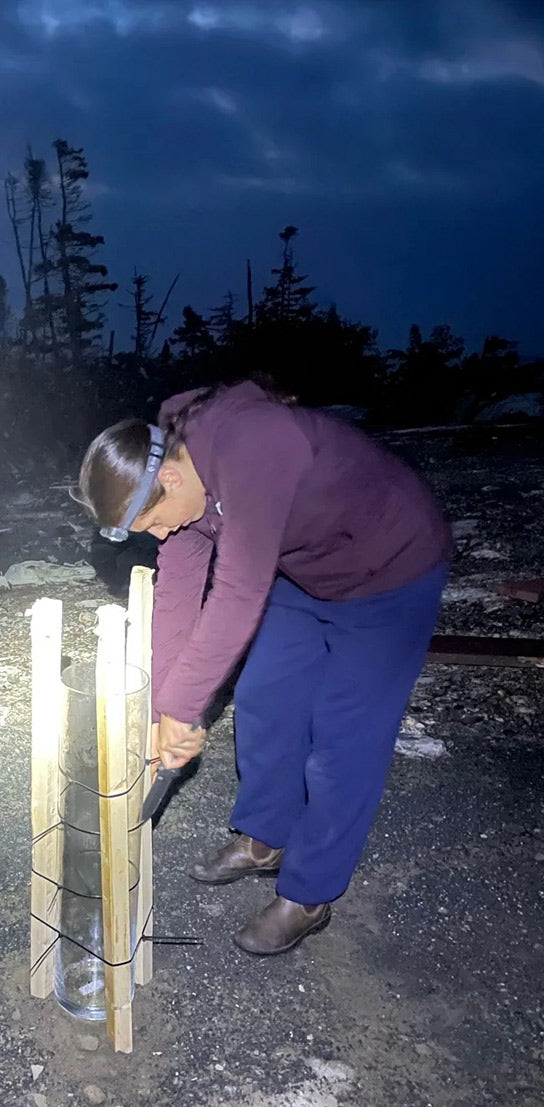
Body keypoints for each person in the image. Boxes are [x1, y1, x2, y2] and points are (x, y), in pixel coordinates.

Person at [75, 379, 452, 956]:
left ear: (169, 477)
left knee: (343, 736)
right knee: (264, 698)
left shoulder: (254, 443)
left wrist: (183, 707)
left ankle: (308, 894)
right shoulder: (181, 486)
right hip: (304, 571)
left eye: (153, 523)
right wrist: (162, 713)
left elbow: (237, 590)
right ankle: (266, 839)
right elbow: (178, 597)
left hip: (390, 569)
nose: (160, 534)